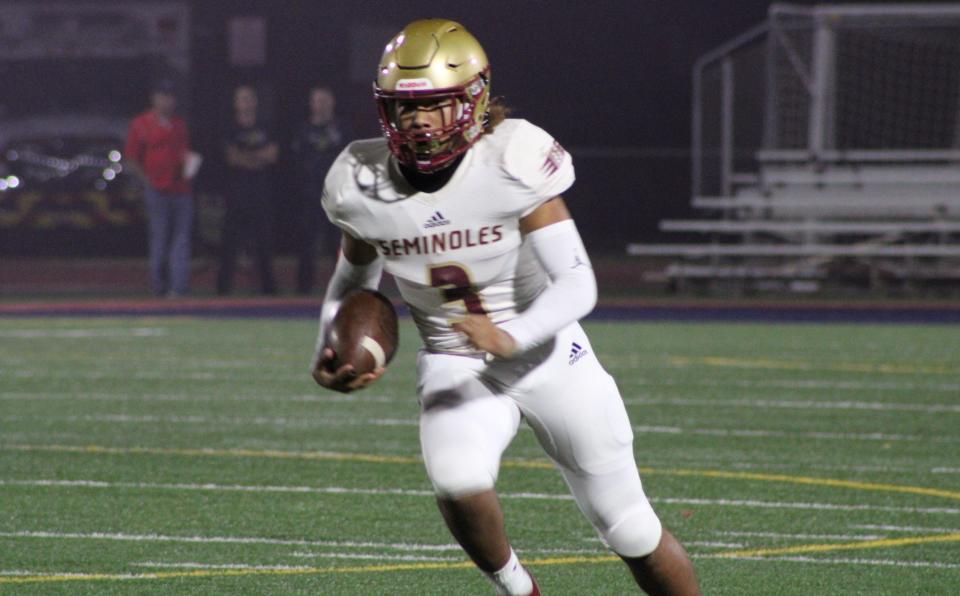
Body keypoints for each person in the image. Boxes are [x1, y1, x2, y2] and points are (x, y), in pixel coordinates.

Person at [311, 19, 701, 596]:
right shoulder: (360, 181)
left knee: (631, 528)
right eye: (403, 107)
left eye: (436, 105)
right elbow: (355, 277)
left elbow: (577, 283)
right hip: (453, 358)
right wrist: (332, 341)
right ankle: (519, 590)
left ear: (474, 100)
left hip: (550, 354)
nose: (418, 121)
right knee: (456, 476)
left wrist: (511, 335)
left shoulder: (512, 158)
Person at [124, 79, 195, 297]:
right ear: (154, 98)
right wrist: (147, 182)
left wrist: (190, 172)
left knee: (181, 239)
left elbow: (187, 154)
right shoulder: (141, 124)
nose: (166, 101)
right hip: (156, 190)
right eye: (162, 96)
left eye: (170, 97)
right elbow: (132, 158)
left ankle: (179, 288)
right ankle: (159, 287)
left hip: (181, 189)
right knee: (160, 239)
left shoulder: (179, 124)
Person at [217, 84, 279, 295]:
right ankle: (223, 289)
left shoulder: (266, 126)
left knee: (264, 242)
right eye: (241, 99)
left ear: (255, 102)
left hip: (260, 191)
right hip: (236, 192)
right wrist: (256, 158)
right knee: (229, 243)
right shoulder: (229, 127)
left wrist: (247, 158)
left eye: (249, 98)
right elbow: (232, 158)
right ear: (236, 103)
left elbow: (272, 155)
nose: (246, 103)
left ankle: (269, 290)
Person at [290, 85, 350, 294]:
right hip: (311, 196)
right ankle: (303, 290)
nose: (321, 105)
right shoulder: (304, 131)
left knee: (339, 244)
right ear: (311, 104)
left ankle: (343, 288)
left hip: (337, 197)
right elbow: (296, 162)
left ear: (332, 103)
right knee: (307, 243)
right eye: (317, 101)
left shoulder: (342, 130)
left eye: (325, 100)